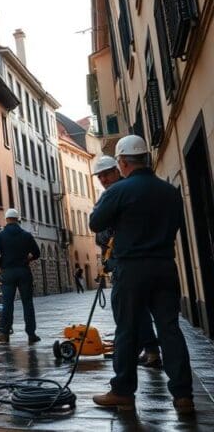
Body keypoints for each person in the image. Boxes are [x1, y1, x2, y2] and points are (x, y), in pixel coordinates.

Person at [89, 135, 194, 414]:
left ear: (122, 162)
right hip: (164, 265)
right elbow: (176, 225)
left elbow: (95, 222)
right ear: (146, 158)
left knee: (127, 329)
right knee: (170, 328)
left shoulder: (118, 191)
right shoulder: (170, 191)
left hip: (131, 267)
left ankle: (123, 391)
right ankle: (183, 395)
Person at [93, 155, 161, 369]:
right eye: (100, 176)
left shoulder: (118, 193)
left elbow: (100, 229)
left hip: (128, 262)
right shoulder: (119, 193)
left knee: (125, 312)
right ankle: (150, 350)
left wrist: (108, 234)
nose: (103, 179)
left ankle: (129, 364)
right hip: (139, 260)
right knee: (146, 311)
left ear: (118, 170)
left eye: (106, 174)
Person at [0, 208, 41, 345]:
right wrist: (28, 258)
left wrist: (0, 266)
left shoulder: (0, 236)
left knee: (7, 303)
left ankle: (5, 333)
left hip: (8, 272)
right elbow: (37, 253)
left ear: (6, 220)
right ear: (17, 219)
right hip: (24, 271)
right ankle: (31, 334)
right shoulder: (26, 235)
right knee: (27, 303)